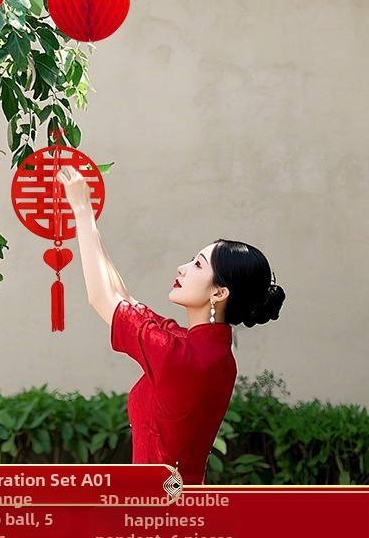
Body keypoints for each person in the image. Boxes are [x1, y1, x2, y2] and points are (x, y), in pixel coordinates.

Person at [57, 166, 286, 485]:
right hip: (183, 504)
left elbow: (101, 298)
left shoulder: (180, 356)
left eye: (197, 265)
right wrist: (90, 221)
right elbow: (123, 297)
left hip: (159, 511)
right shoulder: (210, 353)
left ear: (219, 292)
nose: (182, 267)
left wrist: (81, 211)